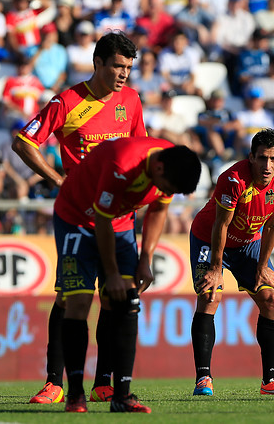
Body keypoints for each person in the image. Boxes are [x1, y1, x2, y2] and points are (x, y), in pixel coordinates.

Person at [12, 31, 148, 406]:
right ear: (98, 63)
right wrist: (59, 180)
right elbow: (24, 141)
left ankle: (105, 383)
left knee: (116, 298)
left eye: (128, 68)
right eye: (117, 66)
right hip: (78, 219)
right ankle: (55, 383)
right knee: (71, 299)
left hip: (118, 217)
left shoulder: (131, 100)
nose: (123, 75)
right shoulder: (68, 101)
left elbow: (140, 150)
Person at [53, 137, 202, 413]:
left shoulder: (169, 164)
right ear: (157, 169)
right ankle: (75, 393)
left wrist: (145, 258)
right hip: (76, 218)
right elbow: (100, 219)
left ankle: (121, 395)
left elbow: (158, 209)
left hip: (118, 224)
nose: (164, 192)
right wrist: (110, 274)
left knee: (128, 300)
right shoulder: (122, 164)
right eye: (167, 187)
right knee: (79, 302)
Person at [189, 128, 274, 397]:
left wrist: (262, 267)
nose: (267, 165)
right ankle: (204, 378)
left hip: (249, 242)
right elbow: (221, 224)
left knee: (271, 298)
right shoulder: (233, 179)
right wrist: (216, 269)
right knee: (209, 296)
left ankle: (270, 381)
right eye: (262, 158)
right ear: (251, 157)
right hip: (210, 239)